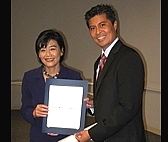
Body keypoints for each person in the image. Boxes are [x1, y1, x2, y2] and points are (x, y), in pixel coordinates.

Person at [75, 4, 146, 142]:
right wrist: (95, 104)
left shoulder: (128, 58)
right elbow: (114, 97)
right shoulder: (99, 62)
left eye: (102, 25)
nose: (98, 32)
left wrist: (91, 133)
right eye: (92, 28)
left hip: (125, 138)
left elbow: (127, 107)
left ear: (114, 25)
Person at [20, 29, 83, 142]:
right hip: (39, 136)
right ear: (39, 54)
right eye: (43, 50)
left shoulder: (74, 77)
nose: (48, 54)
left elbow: (78, 111)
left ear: (62, 51)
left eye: (52, 49)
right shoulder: (29, 78)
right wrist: (33, 112)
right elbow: (25, 108)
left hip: (67, 137)